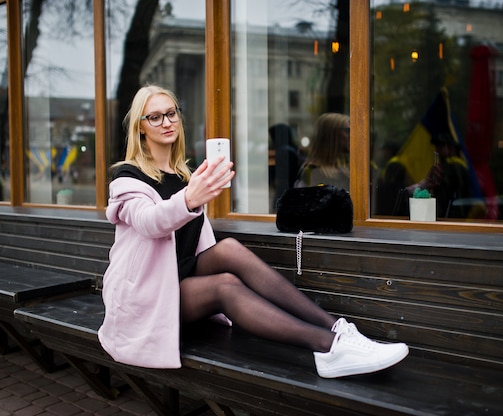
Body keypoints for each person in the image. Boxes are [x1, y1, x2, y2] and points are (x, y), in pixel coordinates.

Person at [97, 85, 408, 378]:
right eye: (155, 117)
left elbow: (190, 239)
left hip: (178, 275)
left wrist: (192, 191)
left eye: (171, 113)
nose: (166, 121)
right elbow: (150, 222)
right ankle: (329, 348)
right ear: (140, 127)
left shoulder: (184, 175)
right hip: (148, 294)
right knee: (225, 286)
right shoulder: (127, 181)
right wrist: (190, 198)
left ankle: (338, 328)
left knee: (229, 247)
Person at [296, 113, 350, 190]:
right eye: (347, 131)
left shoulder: (345, 170)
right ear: (332, 135)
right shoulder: (312, 171)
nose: (352, 135)